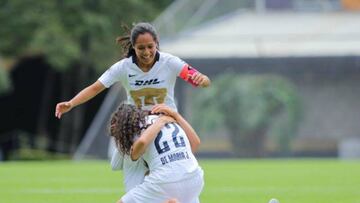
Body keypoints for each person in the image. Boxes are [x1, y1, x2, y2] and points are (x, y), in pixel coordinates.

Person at [55, 22, 210, 192]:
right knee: (125, 178)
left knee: (171, 177)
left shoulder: (170, 62)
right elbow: (95, 87)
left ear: (156, 43)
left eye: (150, 46)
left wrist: (202, 80)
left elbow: (200, 78)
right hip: (136, 126)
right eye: (141, 48)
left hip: (165, 124)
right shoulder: (124, 67)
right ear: (133, 47)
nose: (146, 52)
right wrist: (71, 103)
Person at [109, 103, 204, 203]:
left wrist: (160, 122)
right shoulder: (170, 119)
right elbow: (196, 143)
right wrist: (176, 115)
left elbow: (139, 146)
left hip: (165, 180)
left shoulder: (137, 127)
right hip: (195, 176)